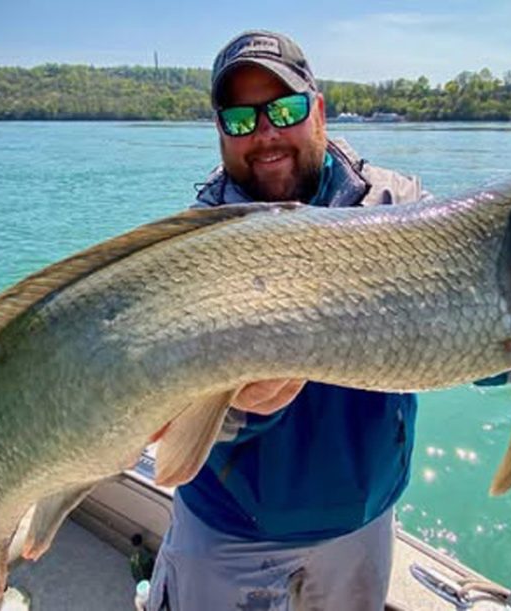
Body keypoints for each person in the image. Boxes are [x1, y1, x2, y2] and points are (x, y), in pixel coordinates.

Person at [146, 30, 430, 611]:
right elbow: (170, 422)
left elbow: (481, 341)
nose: (266, 133)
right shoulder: (192, 246)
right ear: (221, 131)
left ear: (318, 110)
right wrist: (239, 410)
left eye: (285, 109)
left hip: (362, 522)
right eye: (242, 119)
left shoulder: (398, 208)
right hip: (228, 531)